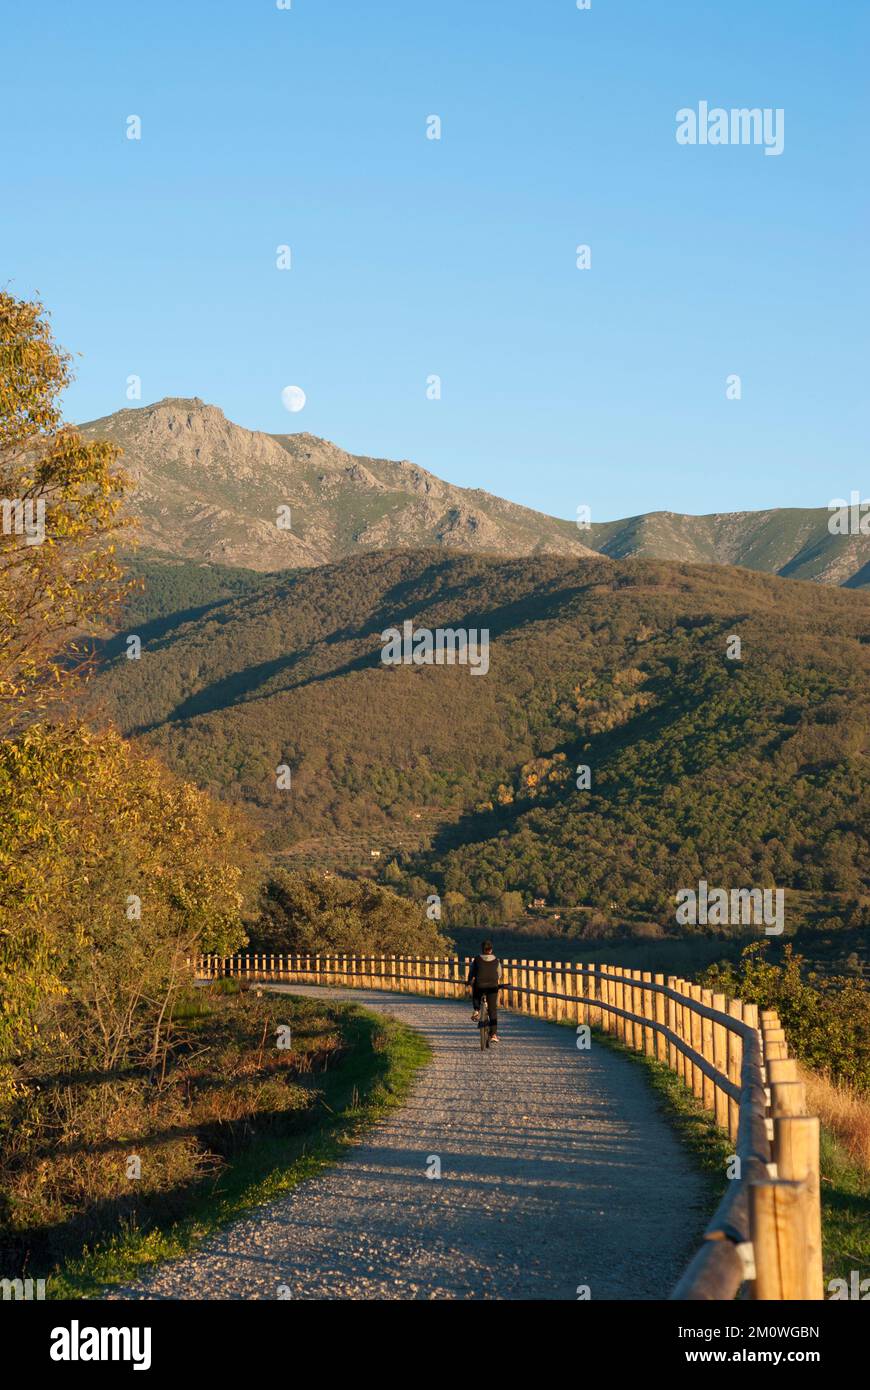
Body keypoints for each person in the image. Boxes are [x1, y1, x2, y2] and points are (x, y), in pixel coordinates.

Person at [467, 940, 501, 1043]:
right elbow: (499, 974)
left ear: (482, 949)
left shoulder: (477, 959)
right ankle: (494, 1034)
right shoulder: (496, 960)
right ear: (491, 949)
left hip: (480, 985)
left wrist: (469, 981)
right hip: (492, 986)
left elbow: (472, 971)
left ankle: (476, 1009)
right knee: (492, 1009)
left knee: (476, 989)